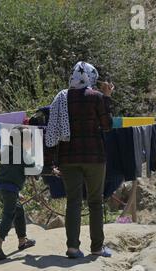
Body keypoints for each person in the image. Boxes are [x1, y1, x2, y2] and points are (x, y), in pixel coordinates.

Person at [58, 61, 114, 258]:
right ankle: (97, 248)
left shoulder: (63, 98)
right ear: (91, 77)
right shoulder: (96, 97)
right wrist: (107, 98)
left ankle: (72, 247)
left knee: (73, 201)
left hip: (67, 157)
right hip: (94, 156)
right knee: (95, 202)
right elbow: (107, 125)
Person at [0, 126, 41, 260]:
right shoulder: (24, 154)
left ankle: (22, 241)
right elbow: (35, 172)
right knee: (9, 214)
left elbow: (10, 169)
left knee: (19, 210)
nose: (31, 142)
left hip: (1, 187)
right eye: (29, 139)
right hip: (10, 188)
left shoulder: (6, 151)